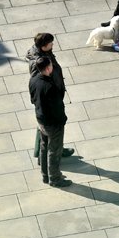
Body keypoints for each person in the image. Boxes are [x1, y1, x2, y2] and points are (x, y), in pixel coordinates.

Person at [25, 33, 74, 159]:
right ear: (43, 46)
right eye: (50, 43)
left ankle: (49, 150)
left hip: (51, 95)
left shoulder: (45, 52)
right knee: (48, 126)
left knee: (44, 127)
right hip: (48, 99)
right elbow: (39, 82)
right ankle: (51, 154)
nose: (53, 44)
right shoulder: (39, 62)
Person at [29, 57, 72, 188]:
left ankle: (45, 175)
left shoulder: (33, 80)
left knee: (44, 145)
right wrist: (62, 120)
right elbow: (57, 107)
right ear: (48, 68)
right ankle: (55, 178)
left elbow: (33, 99)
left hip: (41, 119)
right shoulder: (50, 86)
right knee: (54, 150)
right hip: (53, 123)